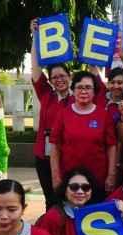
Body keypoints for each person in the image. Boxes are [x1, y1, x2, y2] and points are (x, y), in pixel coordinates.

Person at [38, 167, 119, 235]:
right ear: (65, 189)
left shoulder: (100, 214)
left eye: (86, 187)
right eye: (74, 187)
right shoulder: (54, 217)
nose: (80, 191)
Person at [30, 19, 74, 211]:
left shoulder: (79, 98)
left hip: (68, 156)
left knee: (69, 198)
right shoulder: (46, 94)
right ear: (51, 80)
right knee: (50, 200)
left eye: (63, 76)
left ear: (69, 76)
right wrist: (35, 37)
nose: (59, 79)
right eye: (55, 77)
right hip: (44, 157)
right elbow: (36, 68)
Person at [50, 71, 117, 194]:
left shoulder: (104, 115)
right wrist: (55, 176)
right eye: (79, 87)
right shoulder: (63, 115)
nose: (83, 91)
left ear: (94, 92)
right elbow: (55, 147)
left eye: (88, 88)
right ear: (73, 91)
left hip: (98, 178)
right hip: (70, 179)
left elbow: (111, 147)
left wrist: (111, 175)